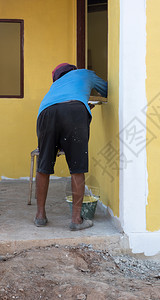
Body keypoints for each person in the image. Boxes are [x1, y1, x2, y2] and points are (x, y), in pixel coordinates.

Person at [34, 63, 107, 231]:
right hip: (75, 111)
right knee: (77, 168)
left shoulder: (54, 87)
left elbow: (60, 105)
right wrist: (82, 106)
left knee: (44, 166)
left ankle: (40, 216)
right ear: (73, 70)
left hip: (46, 114)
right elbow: (108, 89)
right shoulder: (85, 73)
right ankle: (76, 220)